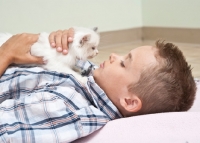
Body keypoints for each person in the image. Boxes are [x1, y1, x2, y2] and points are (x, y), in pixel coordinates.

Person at [0, 28, 196, 142]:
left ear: (129, 101)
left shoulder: (66, 107)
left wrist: (5, 53)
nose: (113, 55)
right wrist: (68, 43)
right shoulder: (96, 83)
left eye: (123, 62)